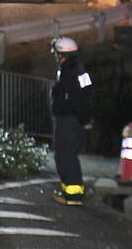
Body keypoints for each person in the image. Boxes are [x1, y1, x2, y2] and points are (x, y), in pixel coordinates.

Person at [50, 36, 93, 206]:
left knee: (66, 156)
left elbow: (80, 99)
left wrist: (84, 119)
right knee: (65, 156)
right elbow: (87, 96)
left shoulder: (71, 73)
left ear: (62, 55)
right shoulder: (78, 72)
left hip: (69, 121)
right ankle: (69, 190)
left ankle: (73, 195)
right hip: (71, 120)